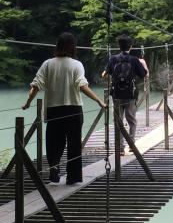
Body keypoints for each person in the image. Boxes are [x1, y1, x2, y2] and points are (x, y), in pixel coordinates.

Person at [22, 32, 106, 185]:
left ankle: (54, 170)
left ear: (58, 46)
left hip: (54, 110)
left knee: (54, 142)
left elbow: (35, 86)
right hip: (74, 110)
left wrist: (28, 102)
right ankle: (72, 177)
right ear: (73, 47)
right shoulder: (77, 65)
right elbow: (82, 86)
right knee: (74, 144)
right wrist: (99, 100)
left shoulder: (47, 64)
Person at [102, 35, 147, 154]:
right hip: (130, 95)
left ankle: (120, 148)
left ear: (119, 46)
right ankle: (131, 145)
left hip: (116, 95)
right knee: (131, 120)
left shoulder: (113, 59)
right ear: (130, 46)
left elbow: (104, 75)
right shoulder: (134, 59)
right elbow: (144, 74)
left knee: (118, 121)